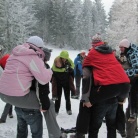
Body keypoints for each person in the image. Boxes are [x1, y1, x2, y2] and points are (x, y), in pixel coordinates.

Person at [0, 36, 64, 138]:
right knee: (50, 105)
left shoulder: (14, 54)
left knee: (21, 130)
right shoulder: (32, 56)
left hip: (3, 94)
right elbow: (43, 80)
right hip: (17, 97)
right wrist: (50, 71)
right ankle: (55, 135)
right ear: (39, 48)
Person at [72, 34, 130, 138]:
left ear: (93, 45)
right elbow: (118, 72)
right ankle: (122, 129)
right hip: (120, 90)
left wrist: (86, 99)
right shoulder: (111, 54)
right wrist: (122, 96)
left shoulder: (92, 54)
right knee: (111, 126)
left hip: (103, 95)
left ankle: (80, 132)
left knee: (94, 127)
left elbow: (86, 77)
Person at [14, 47, 53, 138]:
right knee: (36, 134)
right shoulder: (42, 68)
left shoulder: (25, 64)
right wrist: (44, 105)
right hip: (31, 106)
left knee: (21, 132)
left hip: (18, 103)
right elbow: (42, 88)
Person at [119, 38, 138, 138]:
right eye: (120, 47)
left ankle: (133, 112)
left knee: (133, 95)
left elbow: (137, 69)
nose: (120, 49)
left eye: (122, 47)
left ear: (126, 47)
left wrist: (124, 73)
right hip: (133, 80)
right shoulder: (128, 52)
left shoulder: (133, 54)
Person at [52, 50, 74, 115]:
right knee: (58, 97)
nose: (64, 59)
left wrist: (70, 69)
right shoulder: (56, 61)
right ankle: (56, 110)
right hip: (58, 83)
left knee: (67, 97)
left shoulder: (68, 60)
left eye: (65, 58)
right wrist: (64, 69)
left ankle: (68, 109)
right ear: (61, 57)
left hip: (66, 82)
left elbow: (73, 66)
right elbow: (53, 69)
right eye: (63, 58)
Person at [0, 46, 13, 123]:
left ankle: (6, 115)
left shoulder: (6, 58)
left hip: (8, 82)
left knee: (10, 98)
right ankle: (8, 114)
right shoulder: (6, 58)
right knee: (11, 98)